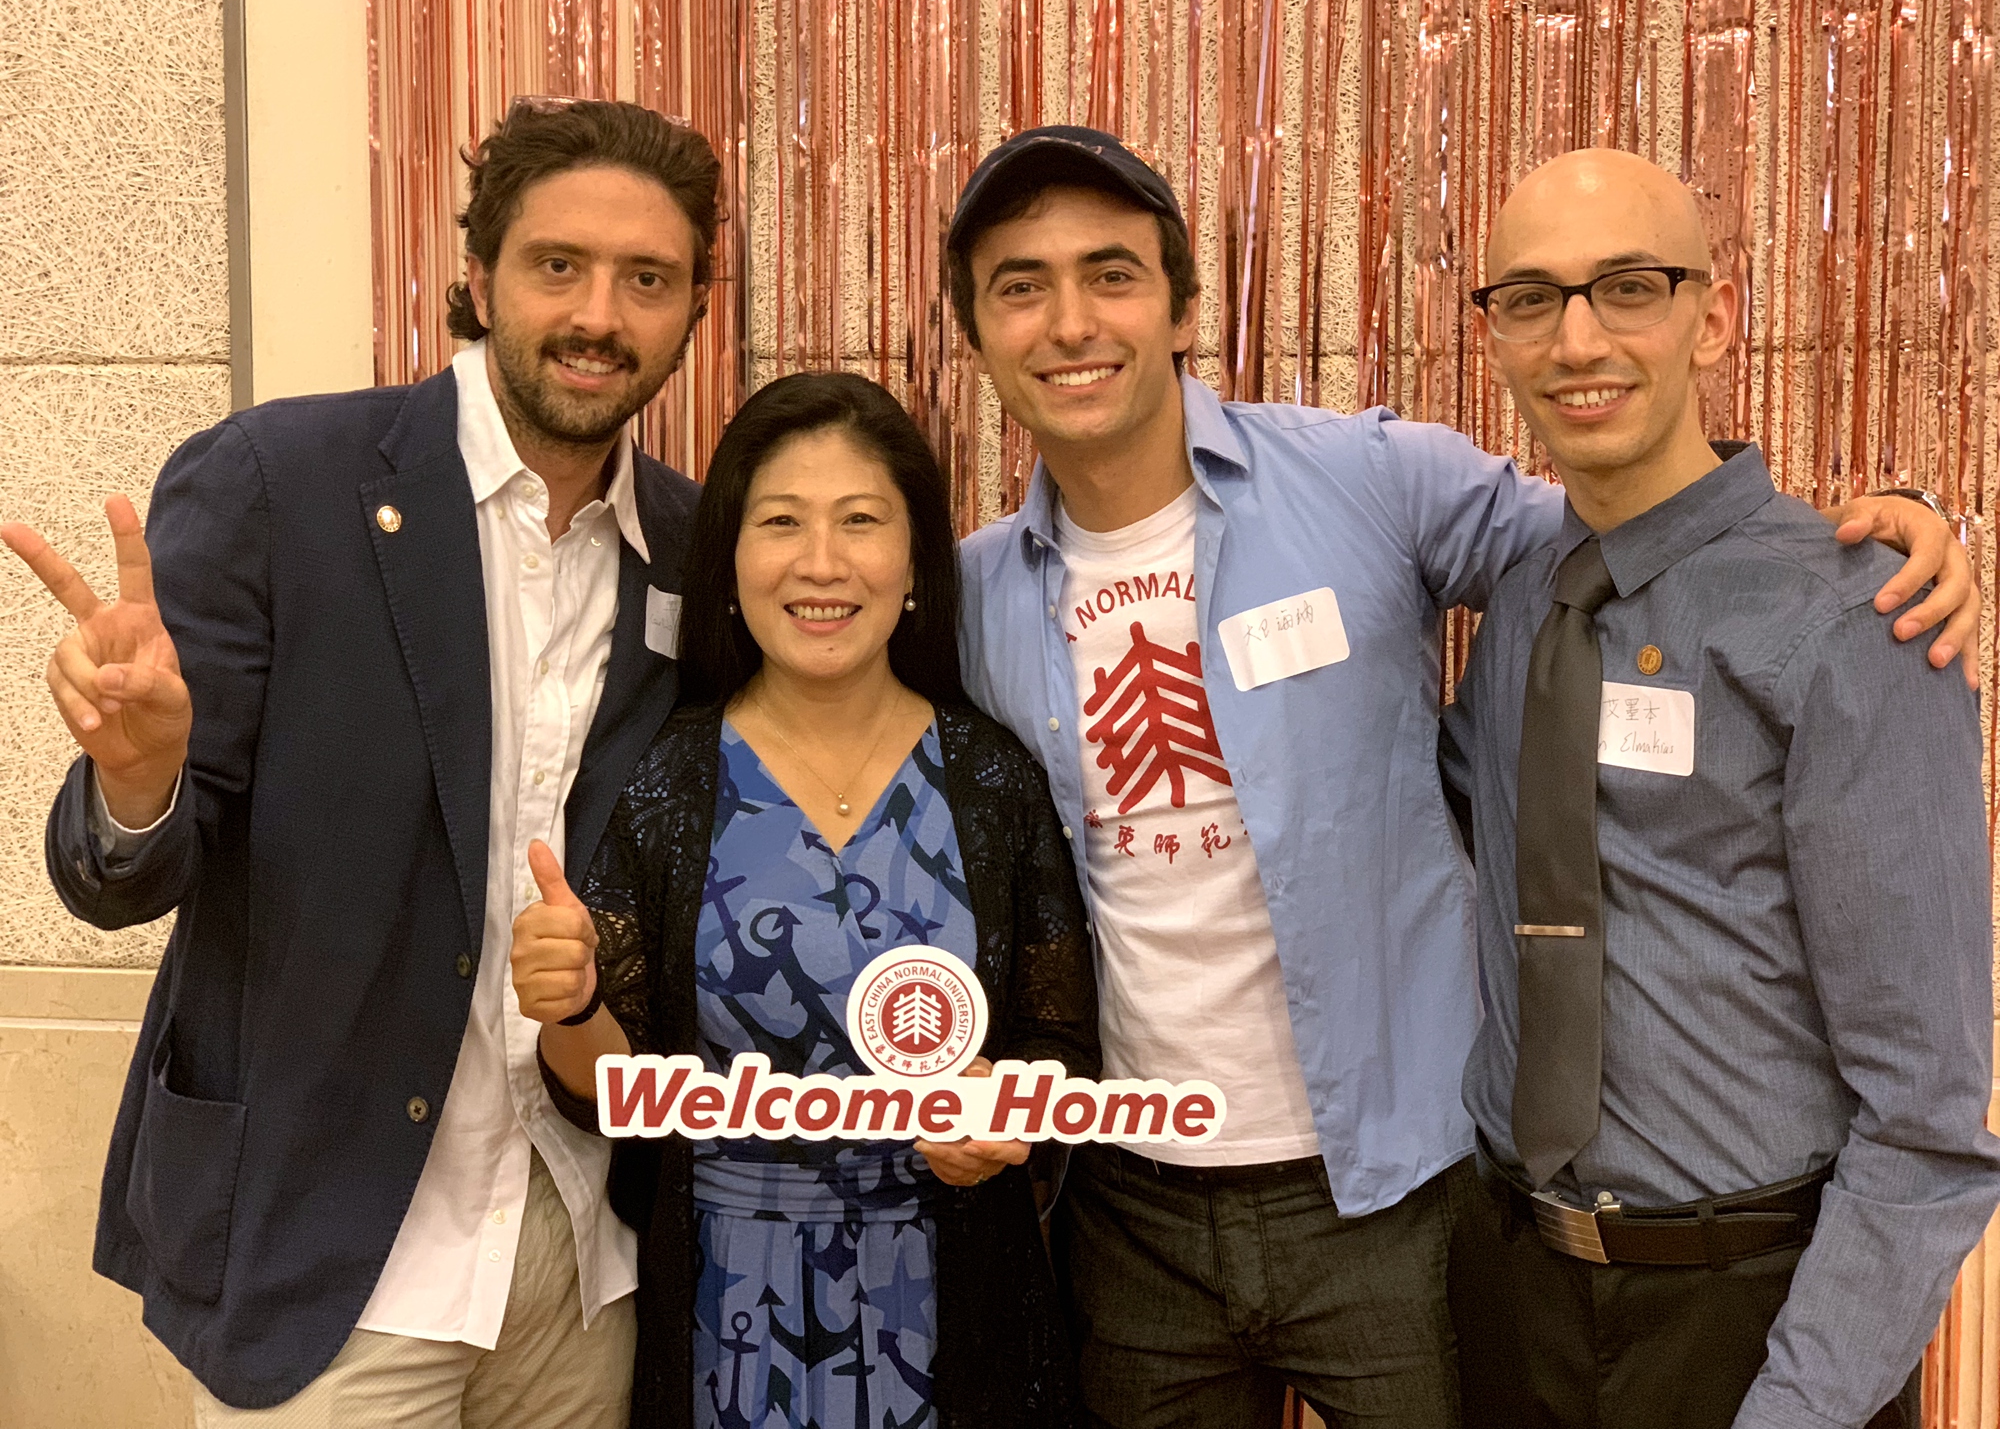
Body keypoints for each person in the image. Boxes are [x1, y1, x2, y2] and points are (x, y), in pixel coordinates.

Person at [944, 125, 1980, 1428]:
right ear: (972, 335)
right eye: (1020, 286)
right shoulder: (967, 597)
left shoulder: (1371, 484)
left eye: (1111, 274)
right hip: (1192, 1216)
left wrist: (1879, 532)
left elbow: (1653, 529)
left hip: (1429, 1202)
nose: (1070, 322)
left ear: (1182, 307)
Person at [2, 99, 720, 1425]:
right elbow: (117, 877)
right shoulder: (281, 483)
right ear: (480, 278)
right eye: (557, 265)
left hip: (579, 1260)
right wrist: (139, 777)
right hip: (326, 1252)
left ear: (693, 309)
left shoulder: (691, 546)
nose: (598, 315)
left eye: (647, 279)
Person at [1439, 147, 2000, 1429]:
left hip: (1754, 1313)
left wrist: (1797, 1406)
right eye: (1528, 299)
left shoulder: (1854, 616)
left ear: (1715, 316)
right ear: (1494, 337)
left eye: (1627, 287)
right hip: (1511, 1294)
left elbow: (1923, 1114)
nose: (1577, 339)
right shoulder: (1521, 602)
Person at [512, 371, 1100, 1429]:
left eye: (860, 521)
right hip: (728, 1310)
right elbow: (604, 1094)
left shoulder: (992, 779)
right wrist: (571, 1004)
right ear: (730, 562)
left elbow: (1060, 1045)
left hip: (956, 1297)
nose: (821, 563)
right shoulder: (665, 783)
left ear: (915, 562)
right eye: (780, 521)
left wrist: (1005, 1113)